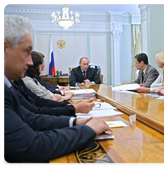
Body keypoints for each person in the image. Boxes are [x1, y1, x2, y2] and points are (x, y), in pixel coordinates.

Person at [2, 15, 110, 163]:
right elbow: (33, 146)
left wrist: (75, 122)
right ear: (3, 49)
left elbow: (31, 118)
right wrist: (88, 130)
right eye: (26, 52)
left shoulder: (7, 84)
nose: (30, 63)